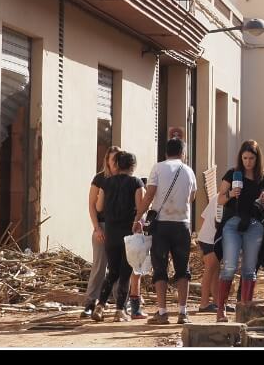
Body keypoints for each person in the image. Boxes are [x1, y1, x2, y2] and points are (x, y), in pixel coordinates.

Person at [139, 138, 196, 325]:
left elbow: (149, 195)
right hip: (182, 225)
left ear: (165, 153)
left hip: (161, 225)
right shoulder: (189, 171)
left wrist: (137, 217)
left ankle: (162, 312)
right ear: (183, 153)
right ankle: (183, 312)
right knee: (182, 269)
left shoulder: (158, 168)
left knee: (160, 268)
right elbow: (192, 197)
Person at [215, 140, 264, 322]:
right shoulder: (233, 174)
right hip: (233, 223)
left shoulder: (263, 177)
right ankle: (221, 310)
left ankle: (244, 312)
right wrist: (231, 194)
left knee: (249, 269)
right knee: (230, 266)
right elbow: (220, 199)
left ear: (257, 159)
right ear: (241, 157)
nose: (248, 162)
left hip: (254, 225)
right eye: (245, 158)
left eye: (251, 158)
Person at [92, 151, 145, 322]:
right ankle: (119, 311)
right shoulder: (136, 182)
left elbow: (99, 207)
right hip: (128, 232)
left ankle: (99, 306)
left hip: (111, 232)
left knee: (112, 271)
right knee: (125, 273)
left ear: (117, 165)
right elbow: (140, 208)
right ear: (132, 166)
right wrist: (138, 222)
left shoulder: (106, 183)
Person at [83, 146, 120, 318]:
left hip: (119, 228)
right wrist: (96, 227)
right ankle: (90, 302)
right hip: (103, 226)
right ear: (106, 161)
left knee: (118, 267)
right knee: (99, 266)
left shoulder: (125, 178)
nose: (113, 163)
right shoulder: (100, 178)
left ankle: (119, 303)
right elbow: (92, 204)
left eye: (116, 159)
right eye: (111, 159)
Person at [194, 193, 220, 314]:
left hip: (207, 236)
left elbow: (202, 217)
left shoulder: (218, 195)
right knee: (210, 269)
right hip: (210, 238)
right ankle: (204, 303)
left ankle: (217, 302)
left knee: (215, 270)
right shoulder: (225, 198)